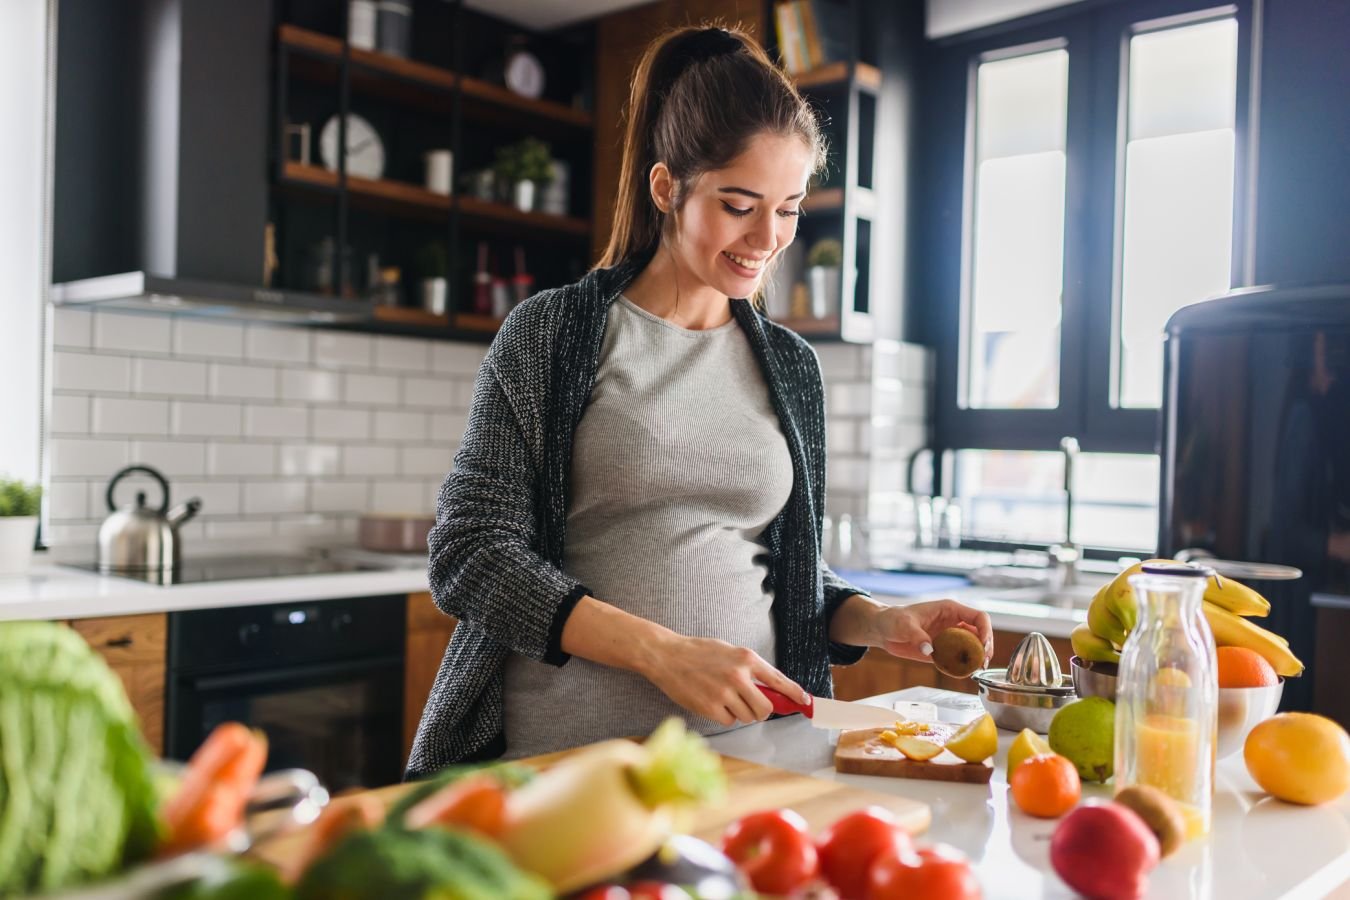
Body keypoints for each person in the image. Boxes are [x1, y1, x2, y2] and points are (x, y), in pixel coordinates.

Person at [406, 24, 993, 777]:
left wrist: (877, 621)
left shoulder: (791, 367)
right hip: (564, 764)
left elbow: (781, 572)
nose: (768, 237)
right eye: (739, 204)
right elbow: (470, 553)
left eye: (788, 208)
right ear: (666, 188)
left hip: (746, 761)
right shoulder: (553, 334)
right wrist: (663, 654)